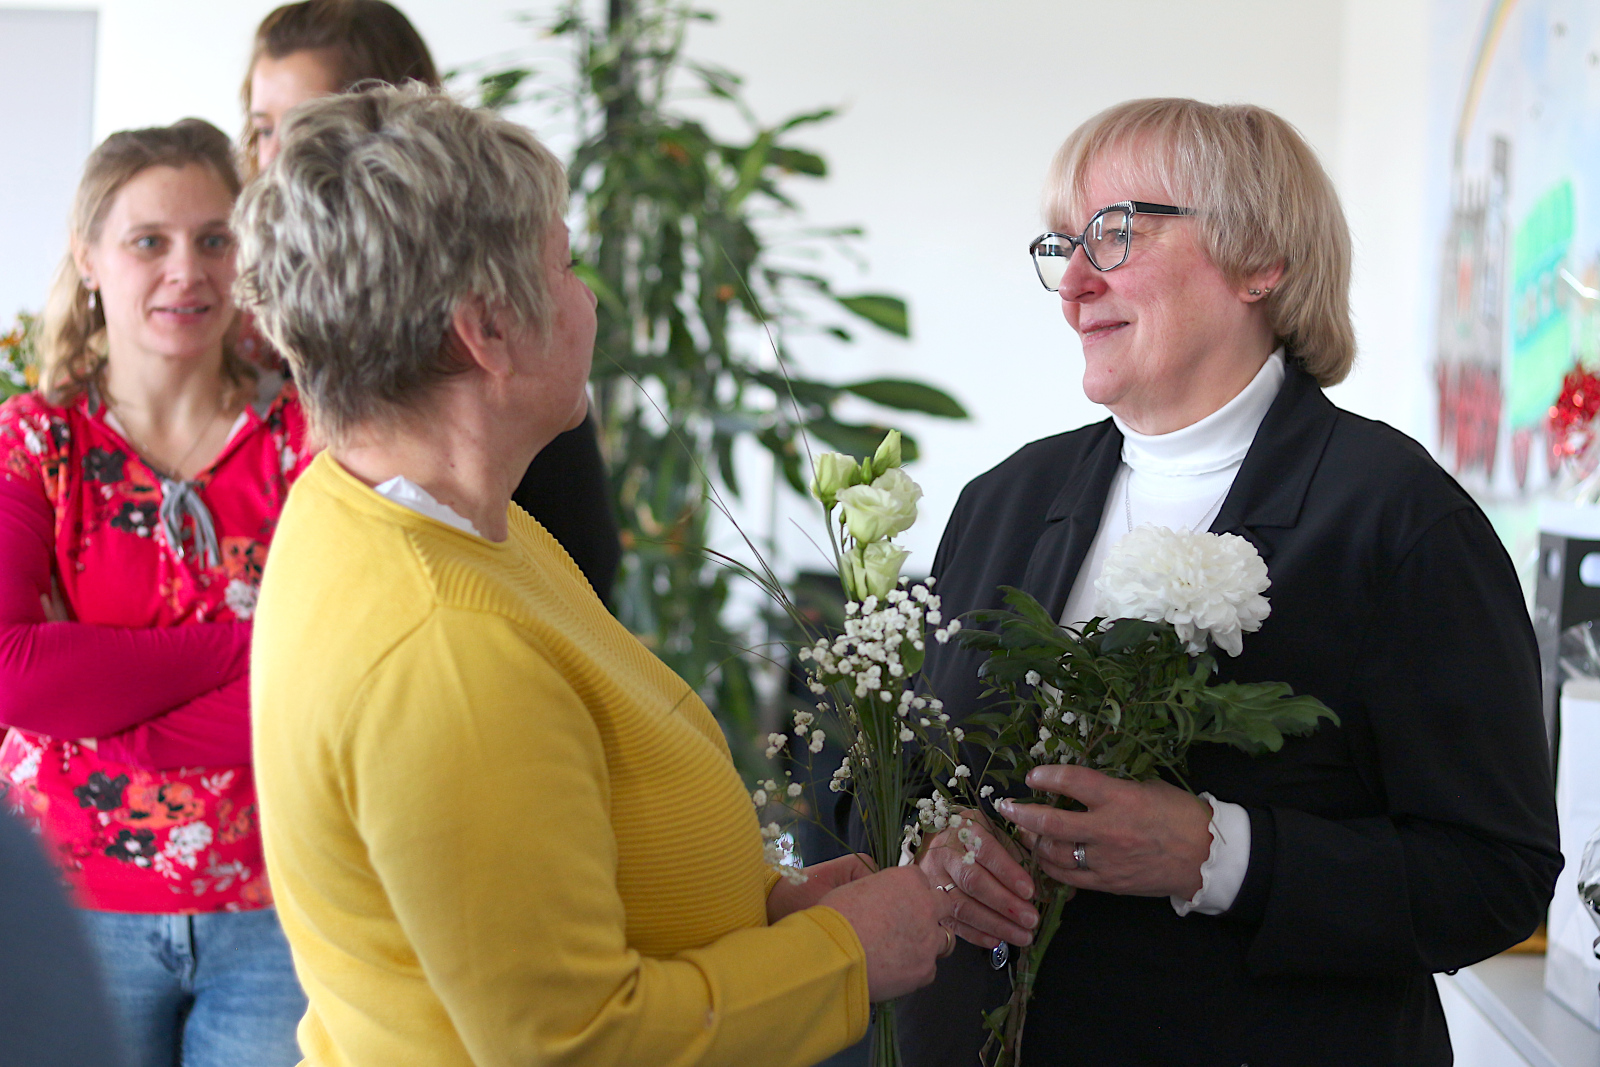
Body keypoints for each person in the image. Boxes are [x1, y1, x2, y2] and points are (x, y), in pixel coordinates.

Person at [240, 85, 955, 1067]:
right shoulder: (444, 642)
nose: (584, 298)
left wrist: (770, 917)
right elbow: (572, 1042)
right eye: (562, 264)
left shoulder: (404, 510)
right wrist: (843, 954)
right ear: (485, 329)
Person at [902, 98, 1563, 1066]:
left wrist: (1219, 853)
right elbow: (885, 765)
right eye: (1061, 243)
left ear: (1262, 260)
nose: (1074, 283)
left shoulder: (1398, 519)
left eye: (1116, 232)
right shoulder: (1003, 496)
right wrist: (934, 839)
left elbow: (1494, 876)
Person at [0, 119, 311, 1066]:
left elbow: (323, 678)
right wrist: (243, 646)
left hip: (276, 911)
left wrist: (111, 720)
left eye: (215, 239)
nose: (189, 270)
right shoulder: (35, 443)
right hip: (72, 909)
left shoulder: (311, 438)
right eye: (150, 242)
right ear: (90, 258)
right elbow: (12, 671)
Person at [241, 0, 622, 603]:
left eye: (314, 122)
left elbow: (582, 567)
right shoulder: (250, 336)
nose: (281, 158)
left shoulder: (510, 357)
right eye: (264, 129)